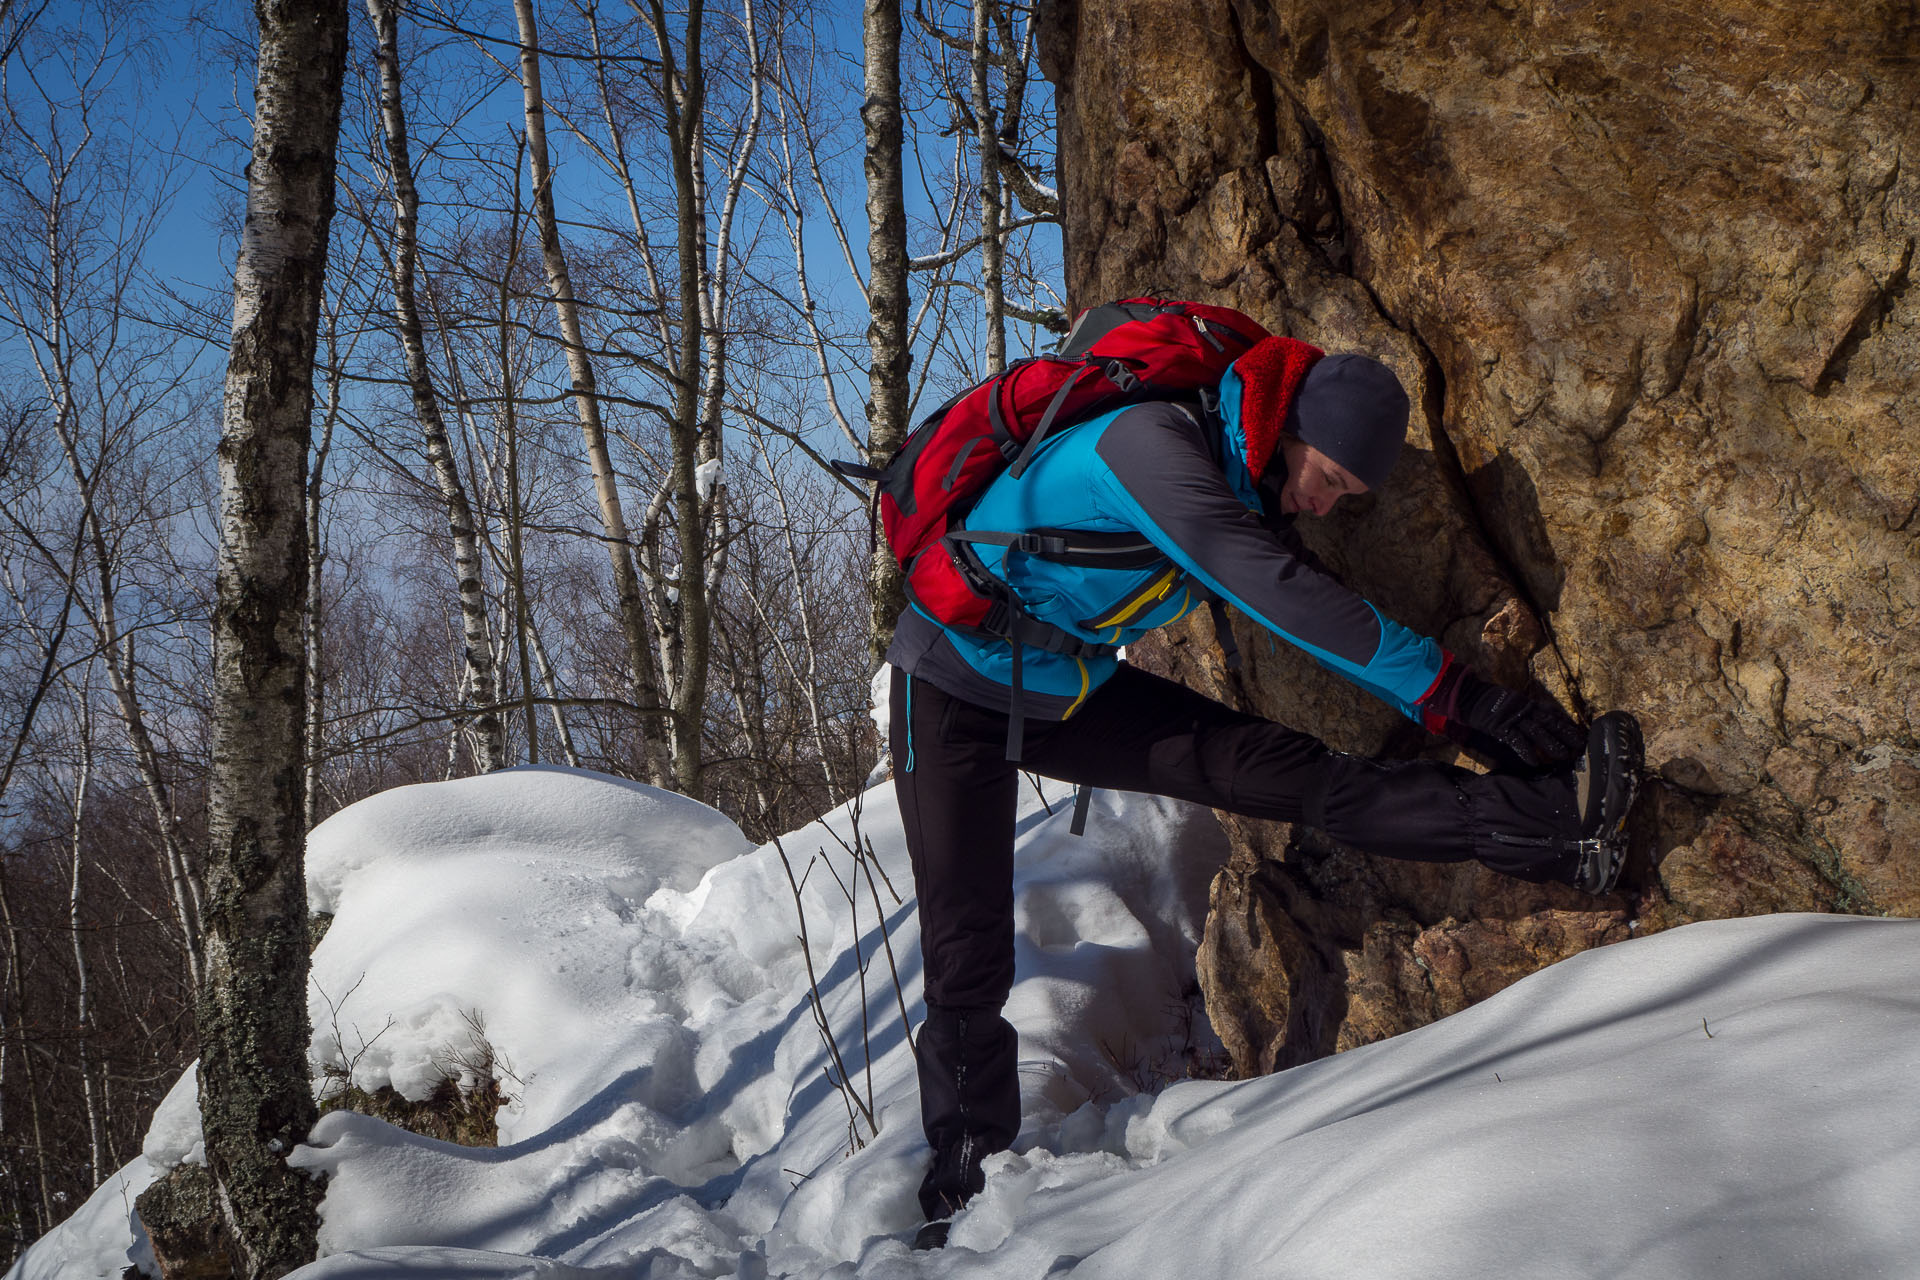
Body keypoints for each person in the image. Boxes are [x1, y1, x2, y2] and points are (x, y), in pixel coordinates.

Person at [884, 335, 1643, 1249]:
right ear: (1288, 430)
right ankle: (961, 1195)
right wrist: (1458, 698)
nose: (1321, 505)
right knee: (967, 956)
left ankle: (1556, 833)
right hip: (954, 689)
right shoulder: (1152, 449)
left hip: (1066, 690)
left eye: (1345, 498)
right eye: (1324, 478)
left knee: (1297, 775)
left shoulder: (1237, 468)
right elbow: (1282, 595)